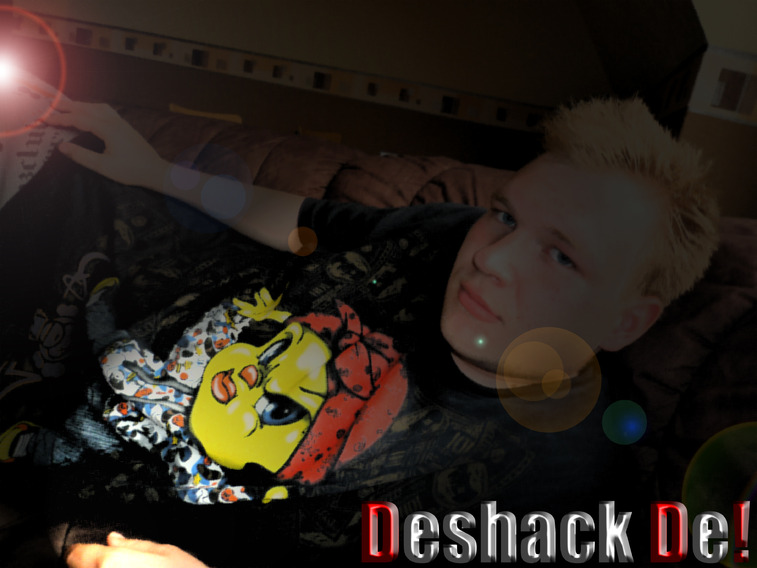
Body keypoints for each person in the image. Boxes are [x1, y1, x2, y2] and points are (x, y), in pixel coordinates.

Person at [2, 96, 718, 567]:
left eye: (561, 256)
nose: (491, 258)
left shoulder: (563, 482)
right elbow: (305, 223)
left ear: (626, 322)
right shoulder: (449, 231)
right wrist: (158, 170)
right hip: (81, 263)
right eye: (506, 216)